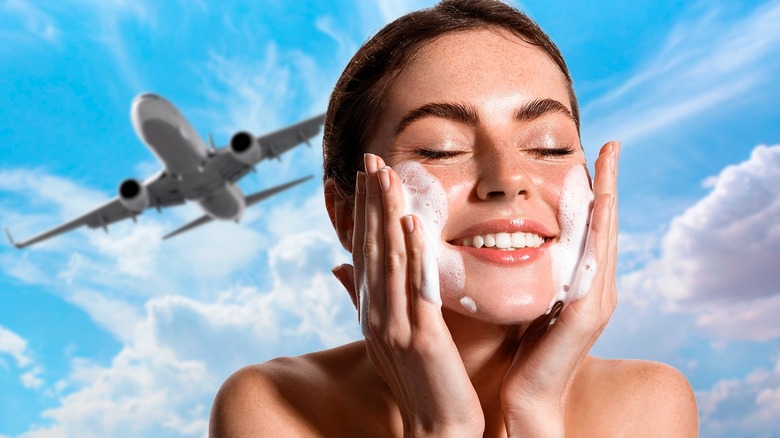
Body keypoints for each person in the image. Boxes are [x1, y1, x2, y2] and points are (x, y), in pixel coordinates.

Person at [209, 1, 699, 436]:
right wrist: (441, 427)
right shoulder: (271, 407)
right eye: (440, 149)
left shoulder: (650, 405)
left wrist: (535, 412)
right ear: (348, 216)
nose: (507, 178)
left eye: (549, 145)